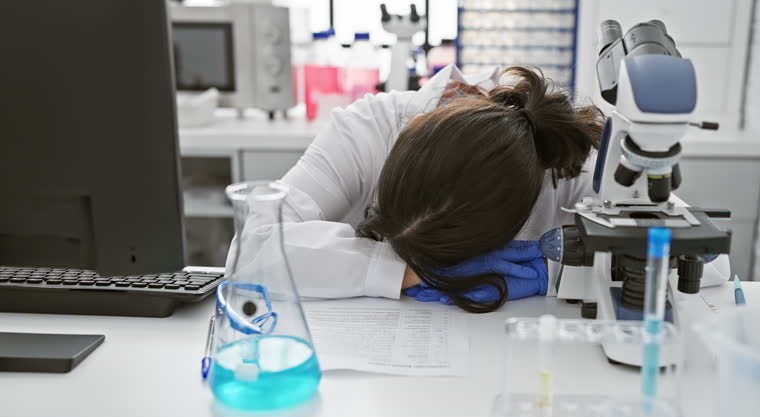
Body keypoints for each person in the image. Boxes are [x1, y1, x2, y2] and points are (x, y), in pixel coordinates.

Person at [229, 65, 729, 313]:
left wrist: (560, 271)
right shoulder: (369, 128)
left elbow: (707, 262)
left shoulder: (570, 164)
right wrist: (396, 268)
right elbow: (251, 250)